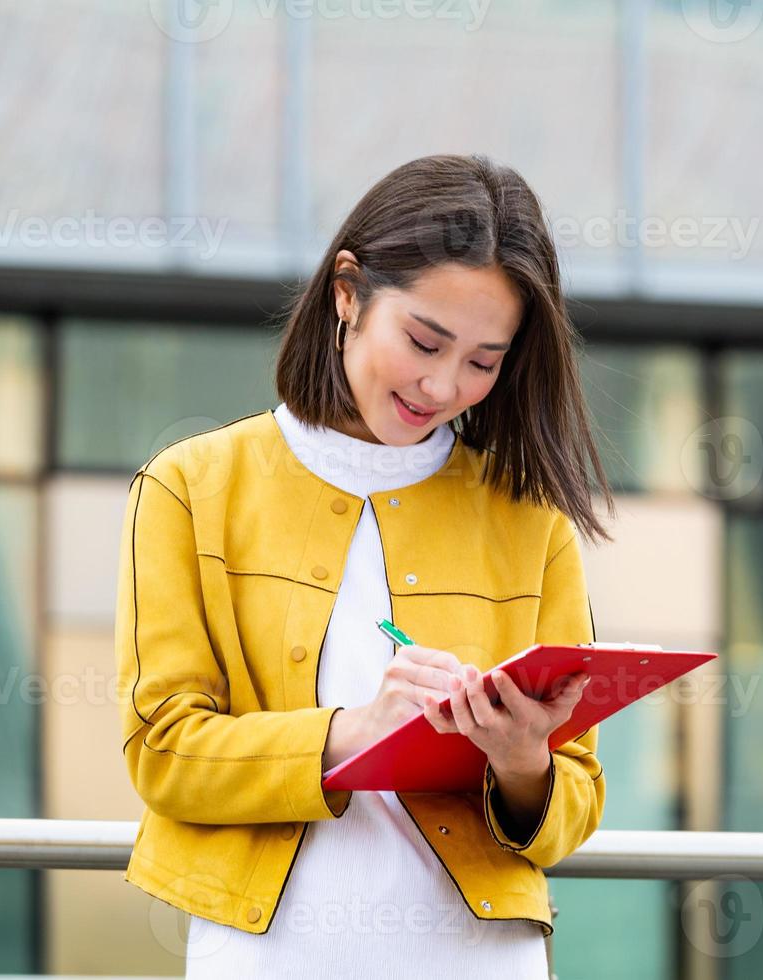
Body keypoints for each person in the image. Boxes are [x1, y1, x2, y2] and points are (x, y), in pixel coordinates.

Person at [114, 153, 617, 978]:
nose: (443, 383)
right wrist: (355, 732)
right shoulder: (190, 488)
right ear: (347, 293)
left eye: (483, 362)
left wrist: (523, 764)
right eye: (424, 340)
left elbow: (576, 800)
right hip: (269, 958)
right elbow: (163, 751)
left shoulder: (532, 522)